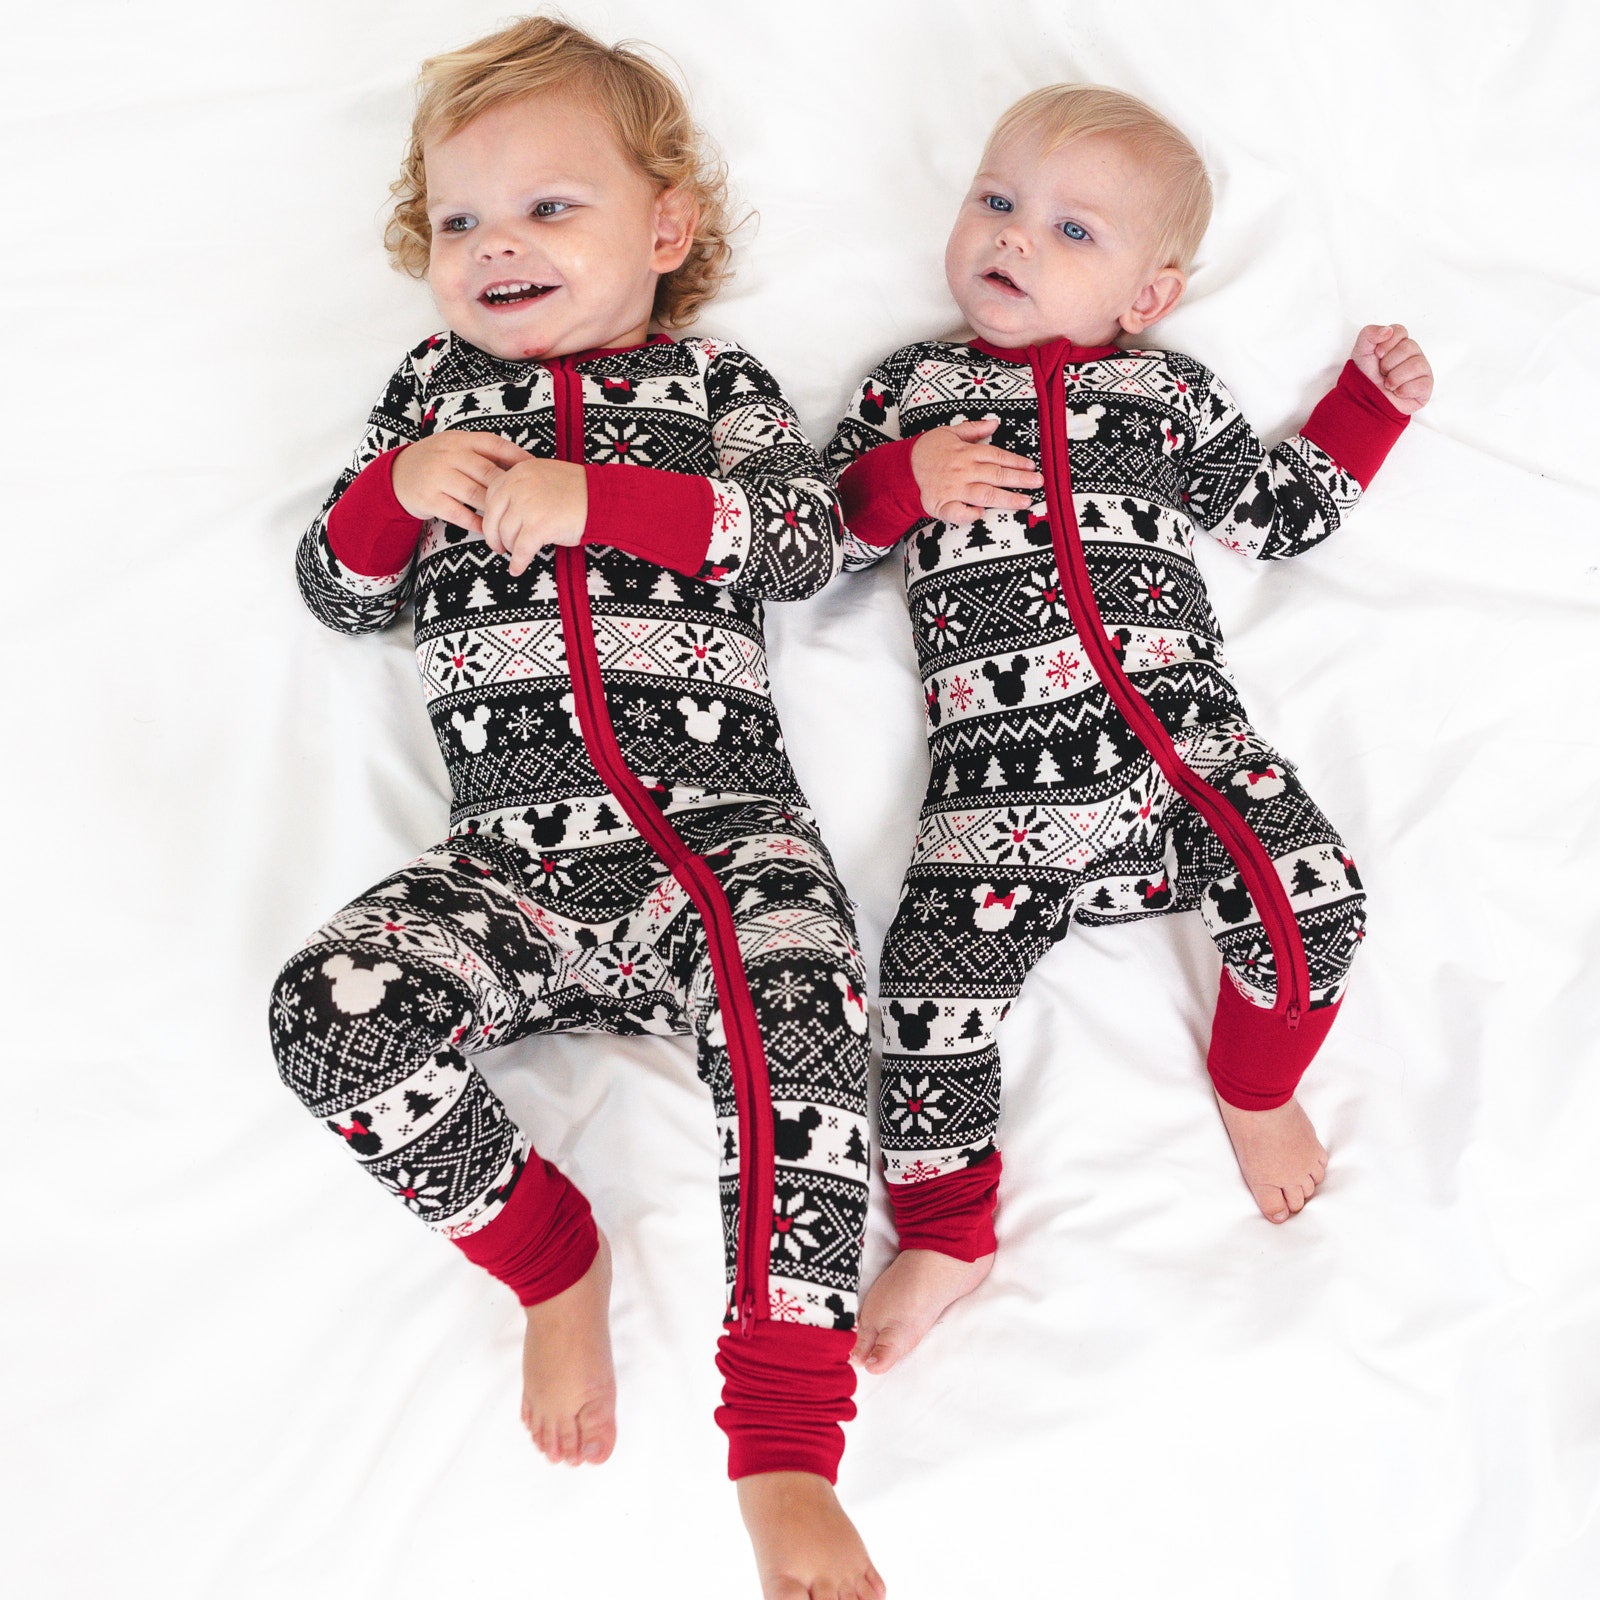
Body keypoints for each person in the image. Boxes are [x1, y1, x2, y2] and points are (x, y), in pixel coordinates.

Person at [268, 18, 885, 1598]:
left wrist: (599, 499)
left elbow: (804, 543)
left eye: (552, 208)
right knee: (329, 1015)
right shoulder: (431, 396)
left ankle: (784, 1449)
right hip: (513, 862)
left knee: (802, 1017)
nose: (499, 248)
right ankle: (551, 1257)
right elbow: (341, 593)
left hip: (724, 837)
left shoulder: (710, 384)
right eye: (463, 221)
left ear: (664, 228)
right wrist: (393, 497)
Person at [825, 84, 1433, 1374]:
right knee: (927, 993)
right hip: (998, 797)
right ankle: (947, 1230)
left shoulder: (1167, 398)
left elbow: (1273, 515)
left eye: (1070, 230)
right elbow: (818, 538)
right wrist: (899, 483)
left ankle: (1255, 1084)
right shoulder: (909, 390)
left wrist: (1362, 414)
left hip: (1183, 755)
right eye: (995, 202)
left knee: (1316, 899)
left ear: (1148, 297)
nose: (1015, 239)